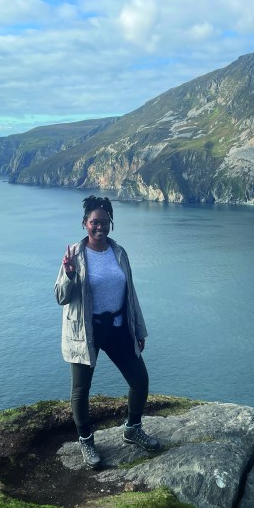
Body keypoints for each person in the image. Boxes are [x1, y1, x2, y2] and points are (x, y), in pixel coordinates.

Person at [54, 195, 160, 469]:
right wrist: (68, 274)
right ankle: (86, 441)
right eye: (94, 222)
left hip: (118, 328)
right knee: (81, 390)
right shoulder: (75, 255)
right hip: (86, 331)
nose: (99, 227)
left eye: (104, 222)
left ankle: (132, 428)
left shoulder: (119, 252)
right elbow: (60, 297)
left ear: (110, 223)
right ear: (85, 223)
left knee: (140, 380)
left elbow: (130, 295)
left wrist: (139, 329)